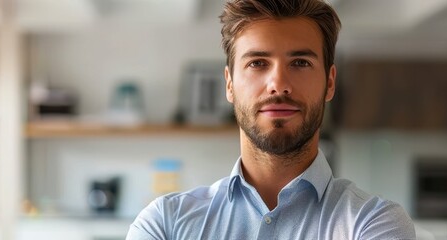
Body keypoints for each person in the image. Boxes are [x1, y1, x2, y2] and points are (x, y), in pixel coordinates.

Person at [126, 0, 415, 239]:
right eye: (257, 63)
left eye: (300, 63)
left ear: (329, 82)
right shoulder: (165, 223)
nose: (278, 83)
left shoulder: (375, 223)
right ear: (229, 84)